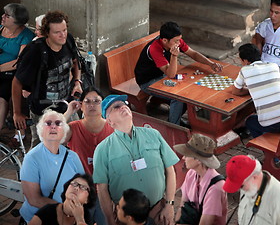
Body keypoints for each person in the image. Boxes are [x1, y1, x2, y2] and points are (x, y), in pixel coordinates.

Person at [93, 94, 179, 225]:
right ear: (110, 121)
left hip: (158, 212)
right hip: (126, 218)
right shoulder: (102, 149)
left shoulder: (153, 134)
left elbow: (170, 171)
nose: (123, 107)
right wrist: (110, 219)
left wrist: (169, 205)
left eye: (124, 104)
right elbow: (102, 188)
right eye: (116, 106)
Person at [12, 10, 82, 148]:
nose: (63, 35)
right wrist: (17, 113)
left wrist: (77, 81)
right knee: (42, 147)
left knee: (76, 137)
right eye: (57, 32)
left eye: (65, 30)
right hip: (42, 108)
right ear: (47, 33)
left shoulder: (68, 40)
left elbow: (76, 61)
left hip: (65, 102)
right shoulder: (36, 51)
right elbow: (17, 81)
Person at [134, 21, 223, 125]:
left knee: (189, 90)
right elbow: (170, 74)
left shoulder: (176, 41)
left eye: (179, 40)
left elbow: (193, 53)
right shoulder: (154, 49)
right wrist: (174, 56)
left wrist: (211, 64)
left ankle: (179, 118)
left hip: (162, 74)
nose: (178, 43)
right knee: (179, 97)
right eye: (176, 41)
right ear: (165, 40)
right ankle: (173, 126)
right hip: (147, 82)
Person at [19, 110, 84, 224]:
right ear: (41, 131)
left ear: (63, 131)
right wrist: (66, 209)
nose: (53, 126)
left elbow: (84, 186)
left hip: (67, 219)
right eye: (48, 123)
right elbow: (34, 199)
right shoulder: (32, 158)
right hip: (41, 219)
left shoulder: (72, 156)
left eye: (58, 123)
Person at [232, 43, 280, 138]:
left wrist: (252, 88)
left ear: (244, 61)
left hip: (271, 124)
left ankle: (264, 143)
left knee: (250, 121)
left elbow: (235, 91)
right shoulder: (274, 66)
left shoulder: (244, 70)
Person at [64, 86, 112, 225]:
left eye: (96, 101)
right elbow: (55, 138)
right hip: (80, 191)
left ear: (103, 104)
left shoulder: (112, 128)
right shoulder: (73, 127)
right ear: (81, 106)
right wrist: (68, 112)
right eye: (87, 101)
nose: (92, 105)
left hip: (105, 190)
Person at [223, 155, 280, 225]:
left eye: (241, 186)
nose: (239, 190)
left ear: (254, 177)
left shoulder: (279, 201)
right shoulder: (249, 186)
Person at [174, 133, 228, 225]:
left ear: (198, 160)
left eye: (187, 155)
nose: (183, 158)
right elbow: (182, 205)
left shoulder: (216, 188)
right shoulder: (191, 173)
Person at [0, 3, 34, 132]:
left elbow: (20, 62)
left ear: (17, 21)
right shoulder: (1, 29)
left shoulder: (26, 36)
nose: (3, 16)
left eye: (7, 15)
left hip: (11, 75)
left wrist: (0, 68)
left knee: (2, 95)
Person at [28, 173, 97, 225]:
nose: (76, 188)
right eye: (74, 184)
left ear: (87, 200)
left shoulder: (88, 218)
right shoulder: (48, 210)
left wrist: (80, 220)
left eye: (83, 187)